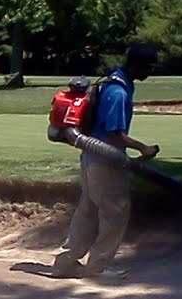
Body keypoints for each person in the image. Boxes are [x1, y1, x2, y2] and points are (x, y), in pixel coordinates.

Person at [52, 43, 161, 280]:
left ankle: (65, 263)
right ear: (138, 65)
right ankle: (98, 267)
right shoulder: (118, 92)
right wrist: (142, 148)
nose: (150, 72)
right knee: (115, 212)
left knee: (88, 211)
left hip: (90, 157)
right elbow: (114, 134)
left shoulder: (113, 81)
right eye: (149, 67)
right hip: (105, 161)